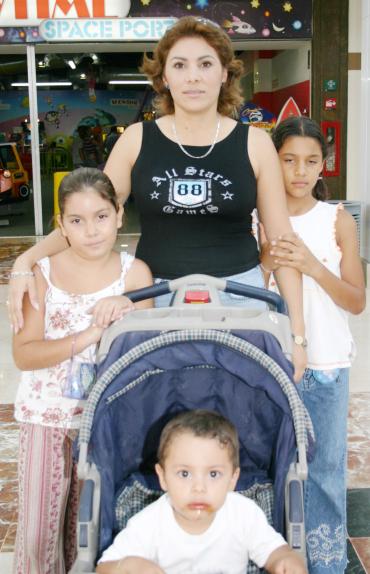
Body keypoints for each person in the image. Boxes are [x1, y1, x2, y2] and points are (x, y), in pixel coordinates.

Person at [8, 16, 306, 382]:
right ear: (164, 76)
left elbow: (282, 243)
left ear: (224, 74)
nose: (192, 76)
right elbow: (87, 215)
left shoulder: (256, 143)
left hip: (239, 300)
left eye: (206, 64)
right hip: (154, 298)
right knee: (160, 413)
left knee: (235, 414)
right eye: (179, 65)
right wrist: (26, 259)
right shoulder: (136, 139)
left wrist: (297, 333)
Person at [11, 168, 153, 574]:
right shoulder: (43, 274)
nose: (91, 230)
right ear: (61, 226)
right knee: (39, 535)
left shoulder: (135, 275)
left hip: (104, 423)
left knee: (86, 531)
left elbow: (143, 361)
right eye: (76, 220)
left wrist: (125, 312)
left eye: (101, 216)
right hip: (46, 419)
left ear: (119, 214)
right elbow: (25, 355)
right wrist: (90, 333)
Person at [259, 116, 366, 574]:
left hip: (326, 363)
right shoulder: (255, 218)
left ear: (325, 165)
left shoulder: (337, 220)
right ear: (271, 162)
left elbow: (356, 301)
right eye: (288, 160)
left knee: (324, 471)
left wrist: (311, 265)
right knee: (271, 467)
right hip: (271, 362)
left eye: (311, 161)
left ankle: (325, 564)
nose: (299, 171)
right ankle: (275, 557)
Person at [96, 409, 307, 574]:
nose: (199, 487)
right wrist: (127, 566)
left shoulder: (244, 515)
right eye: (184, 474)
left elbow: (275, 552)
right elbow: (104, 567)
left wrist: (285, 560)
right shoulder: (149, 523)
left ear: (233, 479)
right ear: (162, 477)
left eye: (213, 474)